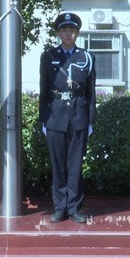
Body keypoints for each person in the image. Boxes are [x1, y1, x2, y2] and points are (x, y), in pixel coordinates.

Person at [39, 12, 96, 224]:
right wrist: (43, 118)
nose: (68, 33)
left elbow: (91, 92)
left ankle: (74, 207)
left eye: (72, 30)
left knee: (75, 165)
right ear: (58, 33)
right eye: (64, 30)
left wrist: (90, 120)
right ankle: (59, 207)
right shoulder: (48, 56)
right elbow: (44, 89)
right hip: (55, 116)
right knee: (58, 165)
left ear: (77, 33)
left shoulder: (87, 57)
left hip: (78, 116)